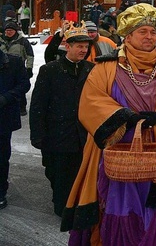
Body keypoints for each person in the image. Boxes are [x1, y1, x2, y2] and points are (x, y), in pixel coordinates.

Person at [61, 3, 156, 245]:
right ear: (128, 35)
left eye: (153, 32)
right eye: (143, 31)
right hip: (117, 155)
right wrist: (124, 117)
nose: (150, 36)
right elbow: (90, 103)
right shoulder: (105, 68)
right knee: (120, 205)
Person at [29, 23, 94, 217]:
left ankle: (76, 208)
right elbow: (38, 105)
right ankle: (62, 207)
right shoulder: (50, 70)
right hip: (57, 134)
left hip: (83, 135)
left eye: (85, 47)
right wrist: (37, 134)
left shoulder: (92, 70)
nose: (83, 50)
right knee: (57, 173)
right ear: (68, 46)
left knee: (80, 174)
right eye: (79, 46)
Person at [0, 44, 30, 210]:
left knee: (2, 158)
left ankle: (0, 191)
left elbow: (24, 85)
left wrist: (6, 98)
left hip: (3, 119)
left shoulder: (13, 62)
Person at [0, 21, 34, 116]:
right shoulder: (1, 41)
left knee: (19, 87)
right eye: (7, 30)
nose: (8, 32)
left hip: (18, 69)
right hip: (3, 69)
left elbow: (30, 55)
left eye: (11, 30)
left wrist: (29, 68)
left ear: (15, 31)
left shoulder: (23, 41)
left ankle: (22, 106)